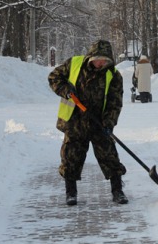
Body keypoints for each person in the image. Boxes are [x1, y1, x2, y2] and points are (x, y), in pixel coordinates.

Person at [48, 40, 128, 205]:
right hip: (75, 121)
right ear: (91, 56)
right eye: (98, 59)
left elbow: (115, 102)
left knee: (109, 156)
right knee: (71, 157)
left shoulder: (113, 75)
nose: (101, 63)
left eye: (105, 60)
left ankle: (117, 190)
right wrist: (65, 90)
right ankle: (70, 193)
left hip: (99, 122)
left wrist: (109, 123)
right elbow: (54, 77)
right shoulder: (74, 64)